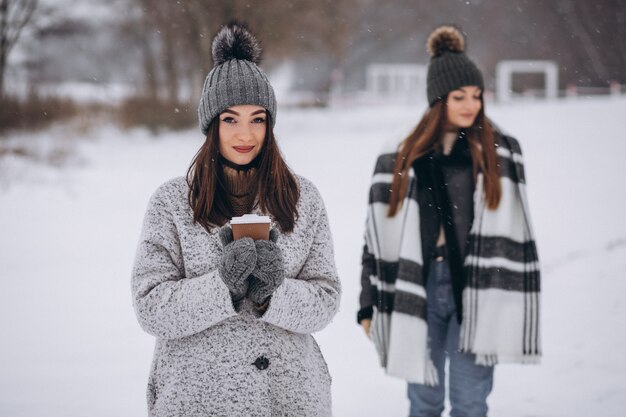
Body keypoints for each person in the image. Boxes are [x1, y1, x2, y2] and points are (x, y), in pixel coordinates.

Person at [132, 22, 340, 417]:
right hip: (197, 399)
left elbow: (326, 298)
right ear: (212, 124)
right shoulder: (172, 202)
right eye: (230, 119)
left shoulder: (303, 199)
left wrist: (273, 295)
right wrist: (220, 287)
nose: (245, 133)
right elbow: (150, 306)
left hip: (289, 397)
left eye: (257, 118)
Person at [357, 25, 540, 417]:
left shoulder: (497, 152)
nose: (471, 104)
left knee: (470, 400)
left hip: (474, 288)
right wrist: (367, 303)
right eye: (460, 96)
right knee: (424, 402)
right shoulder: (400, 156)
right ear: (439, 99)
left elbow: (514, 232)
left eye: (477, 95)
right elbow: (375, 237)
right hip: (417, 285)